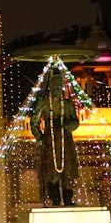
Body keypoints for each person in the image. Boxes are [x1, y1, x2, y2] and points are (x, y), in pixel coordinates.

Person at [30, 70, 80, 206]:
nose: (58, 91)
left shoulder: (68, 104)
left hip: (65, 141)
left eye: (60, 88)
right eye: (55, 88)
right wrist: (40, 138)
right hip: (50, 140)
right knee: (52, 172)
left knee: (68, 171)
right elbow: (34, 122)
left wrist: (67, 126)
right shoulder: (44, 103)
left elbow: (75, 121)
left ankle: (68, 198)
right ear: (51, 88)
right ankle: (55, 198)